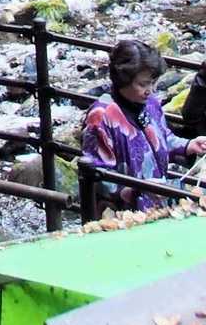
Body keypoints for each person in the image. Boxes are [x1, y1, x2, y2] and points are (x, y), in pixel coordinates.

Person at [80, 39, 206, 211]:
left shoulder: (151, 104)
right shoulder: (101, 116)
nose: (150, 90)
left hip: (157, 203)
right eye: (143, 84)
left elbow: (163, 139)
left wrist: (189, 145)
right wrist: (135, 189)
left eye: (153, 82)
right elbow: (95, 173)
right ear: (123, 79)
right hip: (122, 213)